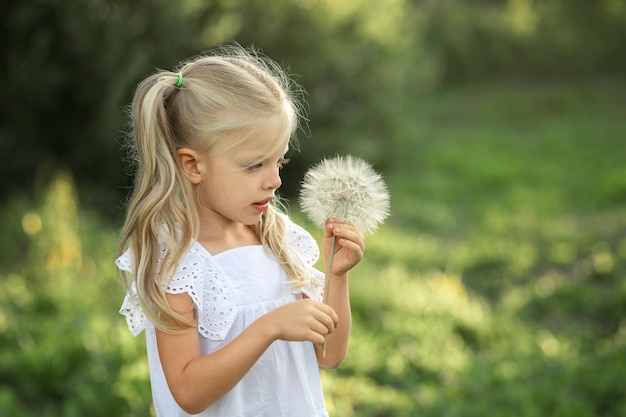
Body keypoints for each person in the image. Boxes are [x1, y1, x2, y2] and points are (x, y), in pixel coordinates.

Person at [115, 44, 365, 417]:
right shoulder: (177, 262)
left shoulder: (278, 238)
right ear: (193, 165)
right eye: (253, 166)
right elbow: (188, 391)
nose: (275, 180)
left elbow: (329, 355)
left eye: (279, 160)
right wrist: (270, 327)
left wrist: (337, 277)